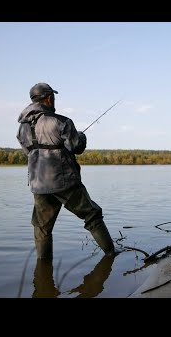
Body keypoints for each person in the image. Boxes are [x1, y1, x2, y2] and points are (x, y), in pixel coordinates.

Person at [16, 82, 118, 260]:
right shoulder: (61, 121)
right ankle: (111, 253)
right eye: (53, 97)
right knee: (92, 214)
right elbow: (76, 146)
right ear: (48, 98)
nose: (54, 100)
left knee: (42, 227)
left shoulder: (22, 127)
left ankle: (43, 268)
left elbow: (29, 152)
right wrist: (82, 137)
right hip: (64, 182)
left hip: (38, 183)